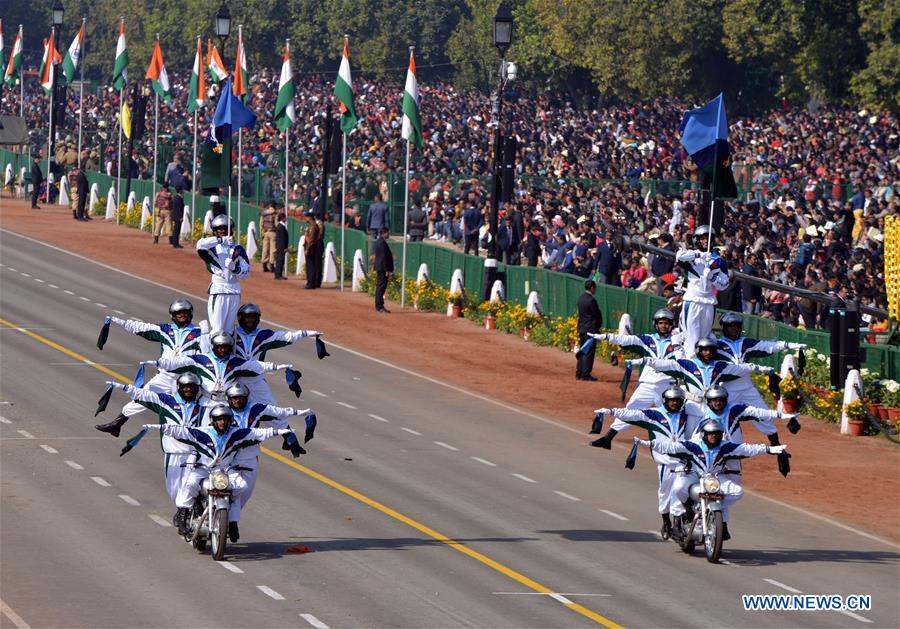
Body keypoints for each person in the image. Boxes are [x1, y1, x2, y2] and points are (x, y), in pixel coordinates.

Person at [139, 404, 297, 539]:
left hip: (224, 471)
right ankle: (183, 515)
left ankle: (232, 522)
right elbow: (180, 431)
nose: (223, 422)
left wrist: (282, 432)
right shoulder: (203, 432)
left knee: (240, 486)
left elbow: (258, 433)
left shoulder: (235, 433)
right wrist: (156, 427)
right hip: (203, 469)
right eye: (220, 419)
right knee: (190, 484)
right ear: (214, 421)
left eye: (226, 419)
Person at [636, 418, 788, 541]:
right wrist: (649, 443)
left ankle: (715, 513)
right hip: (694, 475)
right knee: (678, 487)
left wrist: (769, 449)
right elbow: (671, 447)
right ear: (704, 434)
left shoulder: (725, 447)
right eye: (711, 433)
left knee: (737, 491)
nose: (714, 436)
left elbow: (747, 448)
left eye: (717, 433)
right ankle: (687, 510)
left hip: (715, 478)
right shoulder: (692, 445)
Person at [590, 386, 704, 538]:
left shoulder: (687, 415)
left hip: (682, 462)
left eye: (678, 401)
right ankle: (666, 521)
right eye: (672, 401)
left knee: (681, 491)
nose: (675, 403)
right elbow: (632, 414)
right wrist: (611, 411)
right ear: (665, 401)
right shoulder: (654, 415)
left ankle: (679, 523)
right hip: (665, 463)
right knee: (664, 494)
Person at [104, 374, 211, 524]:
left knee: (192, 484)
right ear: (179, 387)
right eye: (185, 387)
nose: (188, 390)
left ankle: (184, 512)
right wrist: (123, 387)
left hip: (195, 453)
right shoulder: (167, 401)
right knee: (173, 489)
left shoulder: (205, 405)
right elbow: (144, 395)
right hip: (173, 453)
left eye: (192, 387)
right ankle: (187, 508)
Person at [95, 299, 206, 436]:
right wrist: (121, 322)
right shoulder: (165, 330)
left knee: (191, 412)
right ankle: (117, 423)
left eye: (185, 313)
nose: (182, 315)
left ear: (190, 314)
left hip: (188, 382)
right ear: (173, 315)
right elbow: (142, 328)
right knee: (142, 396)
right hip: (164, 377)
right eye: (179, 313)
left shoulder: (199, 333)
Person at [224, 383, 313, 517]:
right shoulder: (221, 411)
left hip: (250, 456)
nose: (238, 400)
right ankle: (224, 518)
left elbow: (278, 412)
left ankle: (229, 517)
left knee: (245, 491)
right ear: (229, 399)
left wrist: (299, 413)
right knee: (221, 488)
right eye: (235, 398)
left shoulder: (255, 408)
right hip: (227, 458)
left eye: (241, 398)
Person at [153, 331, 294, 401]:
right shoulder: (202, 359)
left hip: (227, 403)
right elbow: (180, 362)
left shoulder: (235, 361)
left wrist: (278, 367)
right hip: (207, 402)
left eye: (226, 347)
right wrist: (157, 363)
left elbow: (255, 365)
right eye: (220, 347)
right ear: (214, 346)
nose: (223, 350)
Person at [628, 337, 774, 401]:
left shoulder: (719, 366)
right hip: (692, 404)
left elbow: (740, 368)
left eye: (710, 350)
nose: (708, 353)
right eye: (704, 350)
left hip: (711, 405)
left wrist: (763, 368)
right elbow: (662, 364)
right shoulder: (686, 364)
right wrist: (641, 360)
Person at [231, 303, 323, 403]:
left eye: (253, 317)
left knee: (274, 414)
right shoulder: (232, 333)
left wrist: (305, 333)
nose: (250, 320)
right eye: (247, 317)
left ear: (258, 319)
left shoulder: (263, 335)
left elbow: (286, 337)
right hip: (235, 380)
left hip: (256, 381)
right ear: (240, 318)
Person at [590, 308, 682, 406]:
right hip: (647, 384)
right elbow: (625, 339)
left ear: (671, 324)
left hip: (667, 385)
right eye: (661, 323)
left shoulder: (677, 342)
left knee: (671, 416)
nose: (663, 326)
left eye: (666, 323)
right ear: (655, 324)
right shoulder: (647, 339)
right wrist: (606, 337)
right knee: (629, 413)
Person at [675, 225, 729, 356]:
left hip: (709, 301)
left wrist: (712, 276)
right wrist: (699, 254)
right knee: (690, 336)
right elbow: (679, 256)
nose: (706, 241)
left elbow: (724, 284)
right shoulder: (691, 256)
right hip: (692, 299)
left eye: (708, 238)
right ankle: (688, 364)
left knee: (705, 336)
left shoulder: (719, 261)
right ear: (696, 240)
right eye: (703, 238)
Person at [196, 215, 250, 334]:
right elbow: (200, 245)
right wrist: (220, 240)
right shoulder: (211, 248)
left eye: (226, 228)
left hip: (234, 291)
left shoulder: (238, 249)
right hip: (219, 290)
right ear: (214, 231)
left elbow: (246, 273)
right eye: (220, 228)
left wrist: (235, 268)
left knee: (229, 330)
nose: (223, 231)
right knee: (217, 329)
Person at [576, 279, 603, 381]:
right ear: (592, 288)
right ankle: (585, 374)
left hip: (582, 327)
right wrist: (598, 327)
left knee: (582, 349)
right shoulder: (591, 300)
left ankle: (579, 372)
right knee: (589, 351)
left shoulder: (581, 298)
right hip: (590, 329)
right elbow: (596, 314)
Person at [374, 226, 394, 313]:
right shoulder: (382, 243)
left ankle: (379, 305)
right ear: (384, 233)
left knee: (380, 287)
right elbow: (383, 257)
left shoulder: (379, 242)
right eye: (388, 233)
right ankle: (379, 306)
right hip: (382, 268)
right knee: (381, 287)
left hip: (380, 267)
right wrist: (386, 270)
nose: (389, 234)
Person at [303, 219, 324, 289]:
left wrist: (308, 248)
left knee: (316, 264)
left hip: (316, 244)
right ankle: (314, 281)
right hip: (314, 244)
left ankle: (316, 281)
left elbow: (318, 235)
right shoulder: (314, 225)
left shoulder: (317, 225)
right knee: (314, 264)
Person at [260, 202, 278, 272]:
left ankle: (264, 265)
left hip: (265, 232)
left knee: (265, 249)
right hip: (273, 232)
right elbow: (276, 224)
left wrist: (261, 233)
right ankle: (271, 265)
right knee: (273, 250)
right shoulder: (275, 213)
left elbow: (261, 224)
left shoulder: (263, 213)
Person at [274, 213, 289, 280]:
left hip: (279, 246)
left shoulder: (280, 226)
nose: (286, 219)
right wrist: (284, 248)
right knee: (280, 260)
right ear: (283, 218)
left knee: (279, 260)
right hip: (281, 246)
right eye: (285, 218)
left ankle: (278, 274)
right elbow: (282, 239)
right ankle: (278, 275)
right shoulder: (281, 227)